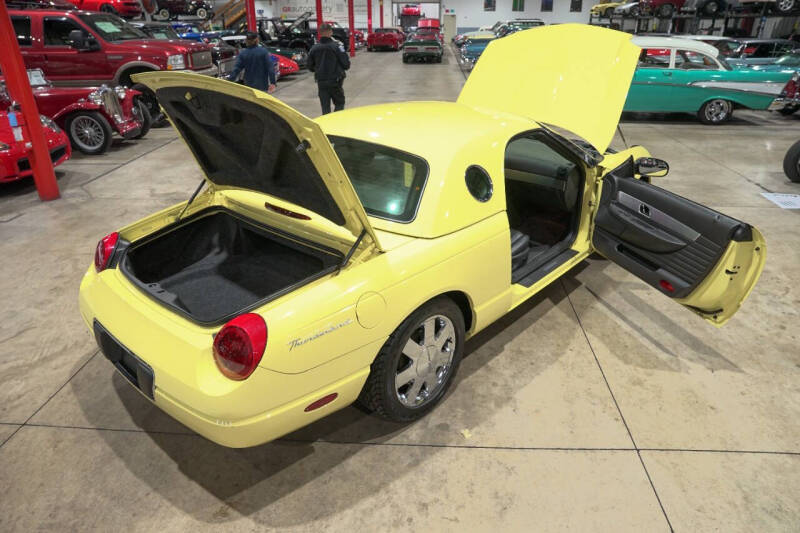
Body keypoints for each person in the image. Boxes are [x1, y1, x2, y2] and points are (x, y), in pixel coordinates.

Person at [307, 23, 350, 114]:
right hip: (335, 81)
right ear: (331, 32)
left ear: (319, 33)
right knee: (339, 103)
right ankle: (336, 123)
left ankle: (326, 126)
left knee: (325, 107)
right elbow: (346, 65)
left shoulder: (314, 48)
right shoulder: (337, 46)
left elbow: (309, 66)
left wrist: (319, 69)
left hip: (321, 82)